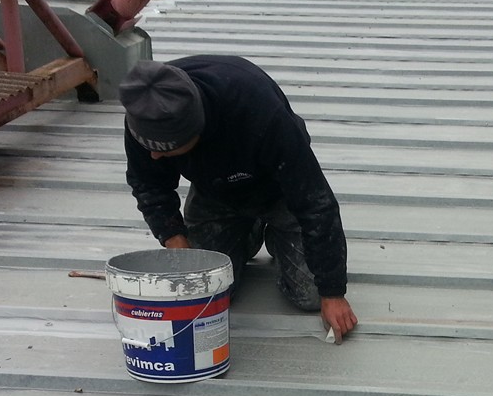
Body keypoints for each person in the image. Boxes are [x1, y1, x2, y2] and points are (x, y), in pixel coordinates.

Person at [118, 57, 357, 341]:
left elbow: (315, 202)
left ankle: (276, 233)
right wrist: (177, 244)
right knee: (205, 291)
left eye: (166, 150)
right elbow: (148, 184)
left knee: (311, 295)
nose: (154, 156)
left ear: (196, 131)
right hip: (215, 192)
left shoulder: (260, 112)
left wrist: (333, 292)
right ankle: (247, 230)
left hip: (280, 189)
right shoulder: (145, 112)